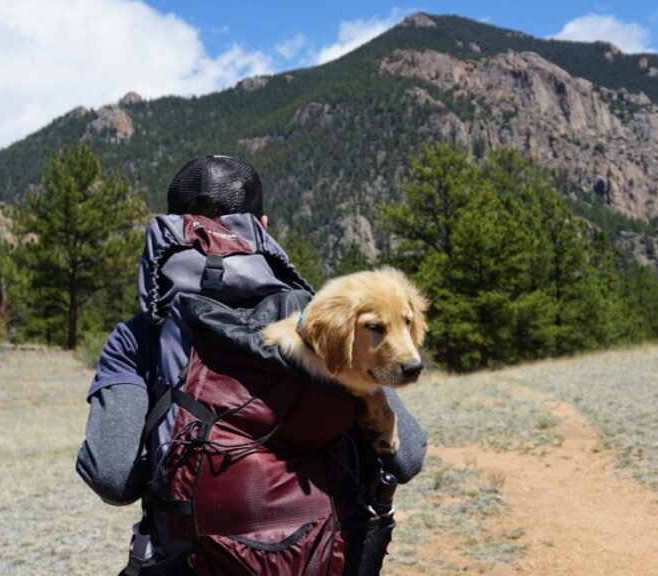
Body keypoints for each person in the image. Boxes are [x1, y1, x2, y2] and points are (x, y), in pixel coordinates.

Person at [76, 155, 427, 575]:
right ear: (262, 225)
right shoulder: (317, 323)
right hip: (320, 559)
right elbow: (406, 459)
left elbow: (113, 479)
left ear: (174, 229)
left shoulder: (139, 335)